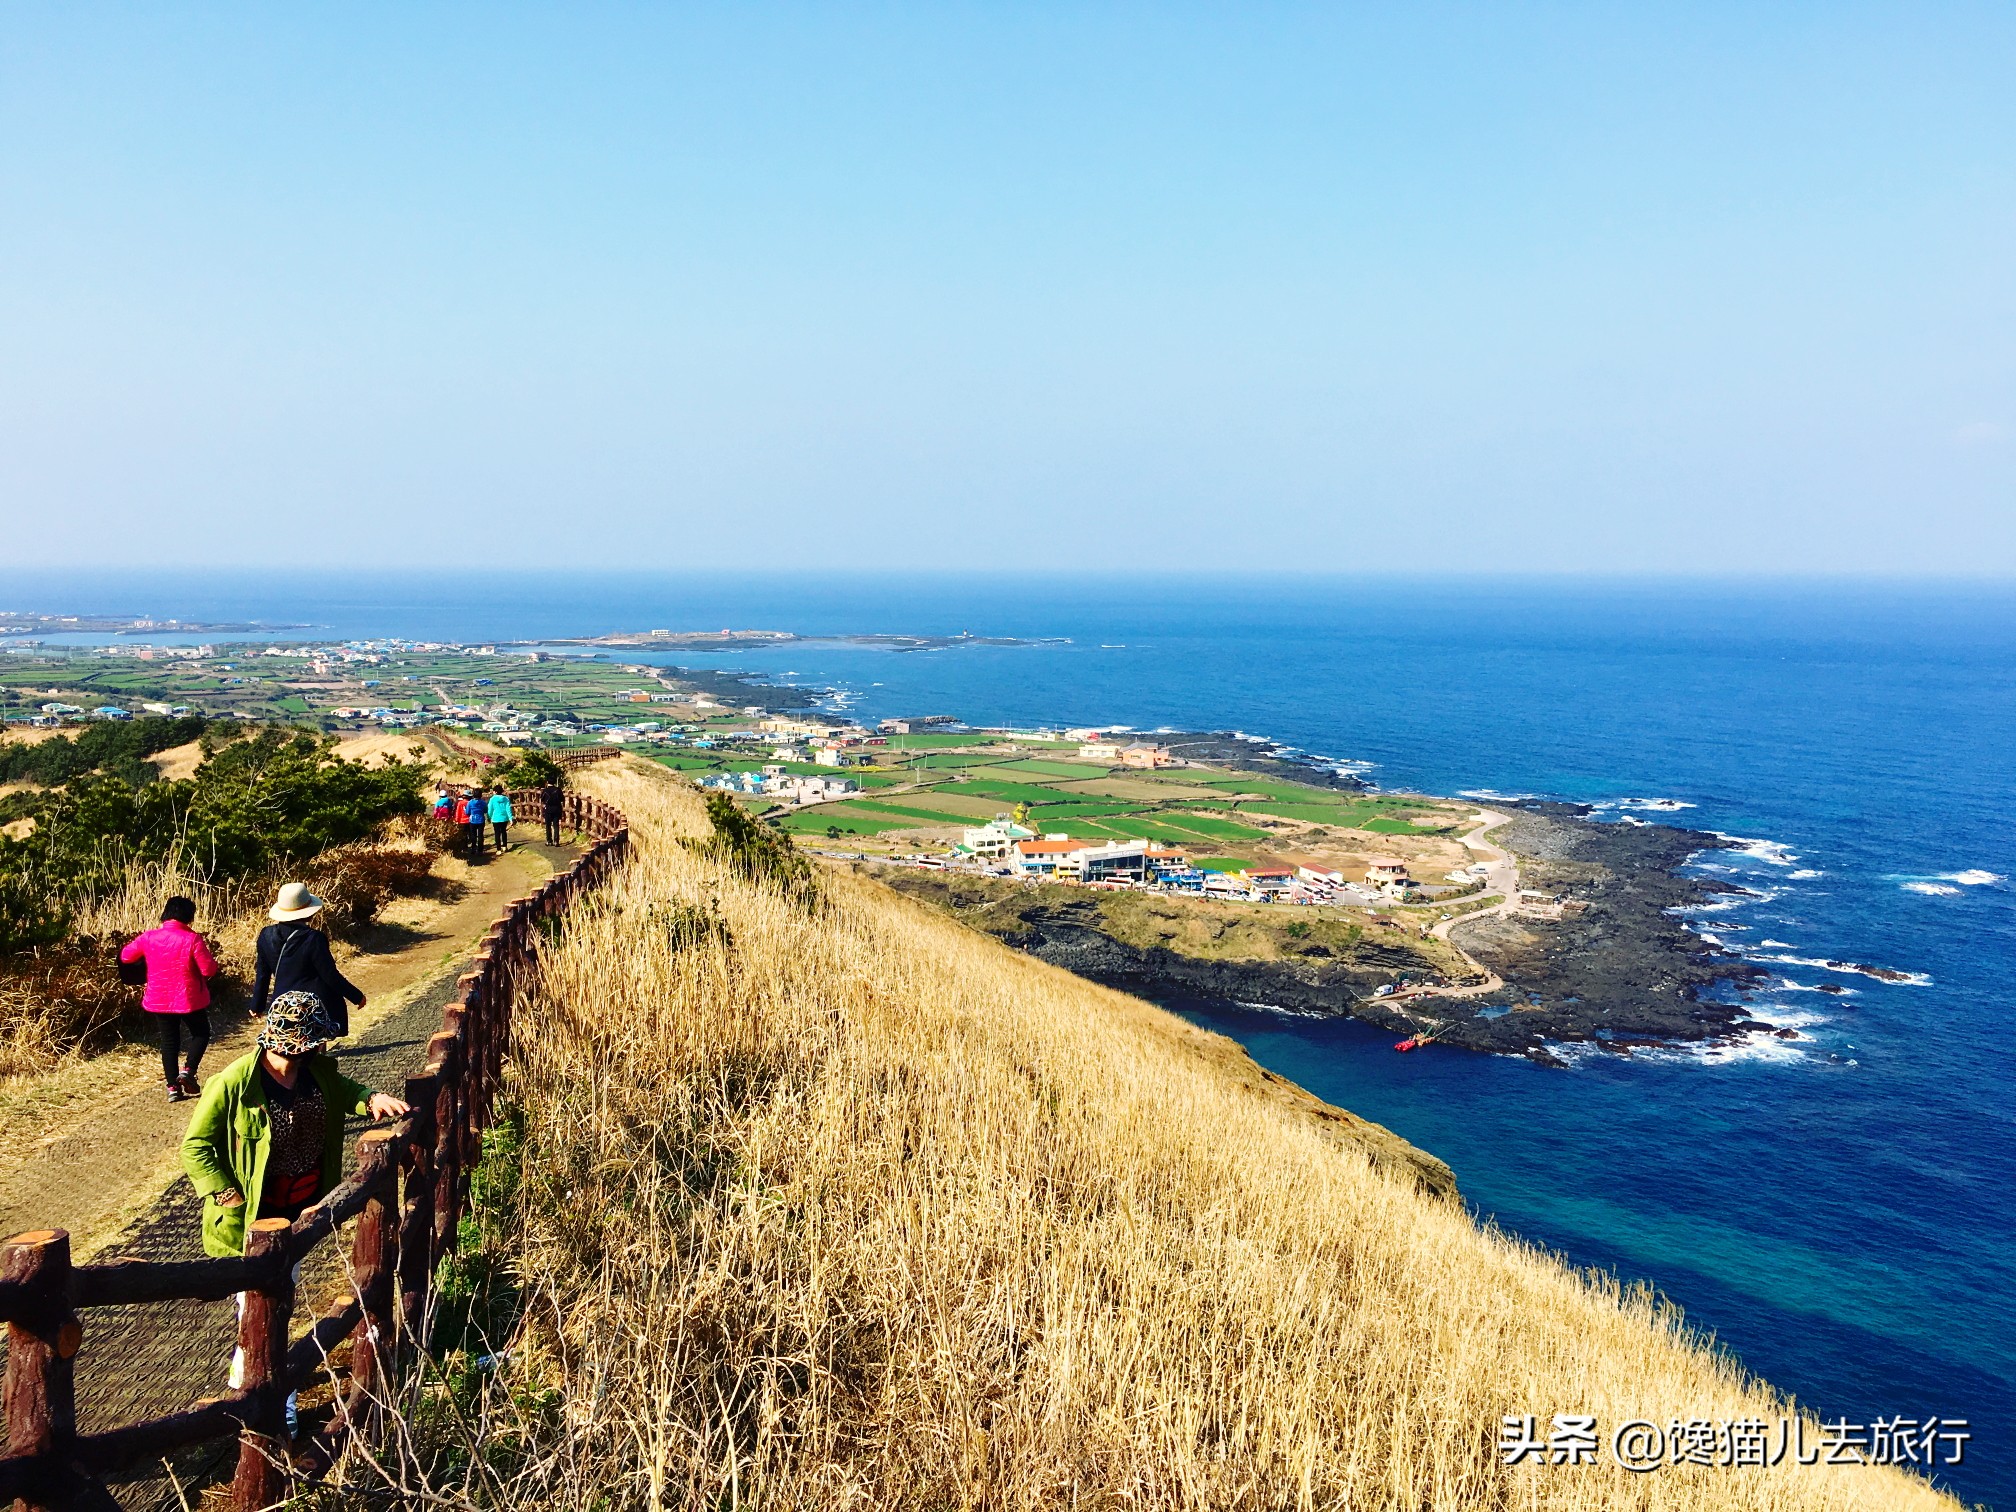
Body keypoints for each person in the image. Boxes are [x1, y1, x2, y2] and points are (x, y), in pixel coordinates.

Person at [180, 992, 410, 1425]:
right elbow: (195, 1147)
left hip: (298, 1214)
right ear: (295, 1043)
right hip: (253, 1221)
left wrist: (370, 1099)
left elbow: (344, 1091)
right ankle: (267, 1401)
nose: (320, 1047)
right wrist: (226, 1193)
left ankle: (254, 1387)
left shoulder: (314, 1072)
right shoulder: (233, 1083)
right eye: (315, 1040)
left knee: (273, 1299)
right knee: (262, 1305)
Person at [120, 896, 220, 1101]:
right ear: (189, 916)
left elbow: (126, 956)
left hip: (159, 997)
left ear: (166, 913)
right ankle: (188, 1070)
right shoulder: (192, 939)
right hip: (189, 998)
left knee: (169, 1042)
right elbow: (208, 969)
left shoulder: (148, 937)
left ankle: (172, 1088)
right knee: (201, 1033)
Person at [251, 883, 366, 1039]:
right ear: (308, 912)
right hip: (313, 1005)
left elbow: (262, 974)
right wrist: (356, 996)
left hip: (282, 1005)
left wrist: (257, 1005)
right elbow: (330, 975)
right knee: (315, 1045)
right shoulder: (314, 938)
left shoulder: (265, 935)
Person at [461, 787, 489, 859]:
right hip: (481, 820)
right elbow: (486, 810)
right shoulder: (483, 802)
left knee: (473, 835)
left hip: (472, 820)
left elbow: (467, 812)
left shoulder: (470, 802)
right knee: (480, 835)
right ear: (480, 795)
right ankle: (480, 850)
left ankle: (473, 849)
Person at [486, 784, 513, 851]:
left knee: (497, 833)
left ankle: (498, 849)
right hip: (504, 818)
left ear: (495, 792)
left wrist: (489, 817)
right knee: (504, 832)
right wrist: (510, 818)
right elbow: (508, 809)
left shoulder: (492, 799)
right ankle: (505, 846)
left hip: (495, 818)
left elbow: (490, 809)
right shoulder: (506, 799)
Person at [539, 777, 564, 845]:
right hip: (556, 809)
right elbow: (562, 799)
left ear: (547, 782)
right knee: (556, 825)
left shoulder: (545, 790)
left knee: (548, 825)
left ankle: (549, 841)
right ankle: (556, 841)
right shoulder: (558, 790)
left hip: (548, 809)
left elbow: (542, 799)